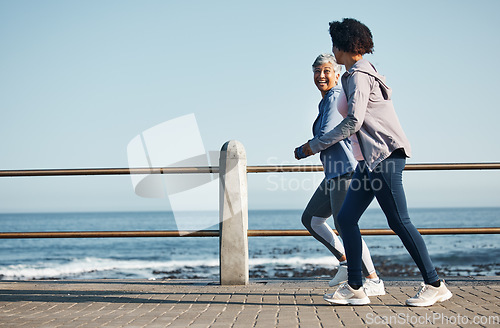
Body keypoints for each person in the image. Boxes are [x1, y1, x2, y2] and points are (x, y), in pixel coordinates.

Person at [296, 18, 452, 307]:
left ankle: (434, 283)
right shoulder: (354, 74)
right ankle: (356, 286)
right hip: (368, 162)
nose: (333, 50)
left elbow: (354, 121)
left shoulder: (359, 75)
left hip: (385, 157)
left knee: (399, 221)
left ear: (343, 46)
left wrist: (311, 147)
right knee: (345, 219)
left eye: (334, 45)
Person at [295, 53, 384, 297]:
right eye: (316, 71)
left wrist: (305, 148)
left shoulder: (334, 97)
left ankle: (373, 279)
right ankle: (345, 261)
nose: (320, 76)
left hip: (346, 171)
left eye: (325, 71)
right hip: (333, 173)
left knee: (346, 227)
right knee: (311, 219)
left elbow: (326, 134)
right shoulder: (326, 100)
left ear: (336, 74)